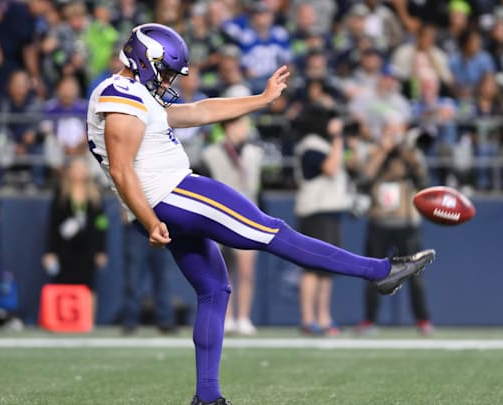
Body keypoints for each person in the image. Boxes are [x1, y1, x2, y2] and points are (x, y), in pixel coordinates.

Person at [86, 24, 435, 405]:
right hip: (174, 193)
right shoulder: (119, 93)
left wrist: (261, 99)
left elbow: (198, 110)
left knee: (214, 289)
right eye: (166, 70)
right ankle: (380, 271)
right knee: (272, 231)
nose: (168, 80)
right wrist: (151, 219)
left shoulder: (136, 94)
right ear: (142, 60)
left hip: (163, 200)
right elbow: (121, 170)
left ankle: (207, 397)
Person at [355, 115, 433, 336]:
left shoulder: (411, 153)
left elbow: (423, 181)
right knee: (373, 274)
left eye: (396, 130)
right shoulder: (372, 152)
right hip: (379, 221)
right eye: (388, 130)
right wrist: (382, 151)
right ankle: (369, 320)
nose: (392, 135)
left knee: (415, 274)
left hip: (406, 222)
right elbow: (363, 179)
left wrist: (405, 152)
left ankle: (423, 320)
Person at [201, 115, 263, 336]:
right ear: (228, 126)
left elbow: (258, 189)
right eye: (241, 124)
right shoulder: (210, 154)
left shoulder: (255, 154)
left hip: (247, 217)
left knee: (246, 271)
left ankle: (244, 317)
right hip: (218, 217)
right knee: (220, 271)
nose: (245, 128)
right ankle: (225, 317)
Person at [293, 105, 348, 336]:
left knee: (327, 267)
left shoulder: (321, 144)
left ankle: (324, 317)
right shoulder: (310, 146)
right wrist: (337, 138)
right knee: (312, 267)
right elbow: (331, 168)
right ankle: (309, 318)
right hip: (315, 212)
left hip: (329, 211)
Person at [42, 157, 109, 322]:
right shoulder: (61, 195)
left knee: (88, 285)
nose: (78, 173)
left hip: (88, 249)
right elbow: (53, 225)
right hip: (65, 249)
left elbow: (102, 225)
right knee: (63, 282)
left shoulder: (95, 196)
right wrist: (50, 252)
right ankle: (61, 320)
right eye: (75, 169)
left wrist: (101, 250)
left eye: (81, 169)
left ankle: (87, 321)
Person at [121, 219, 178, 335]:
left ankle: (165, 321)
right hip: (137, 227)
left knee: (162, 279)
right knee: (134, 278)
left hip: (160, 226)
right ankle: (130, 321)